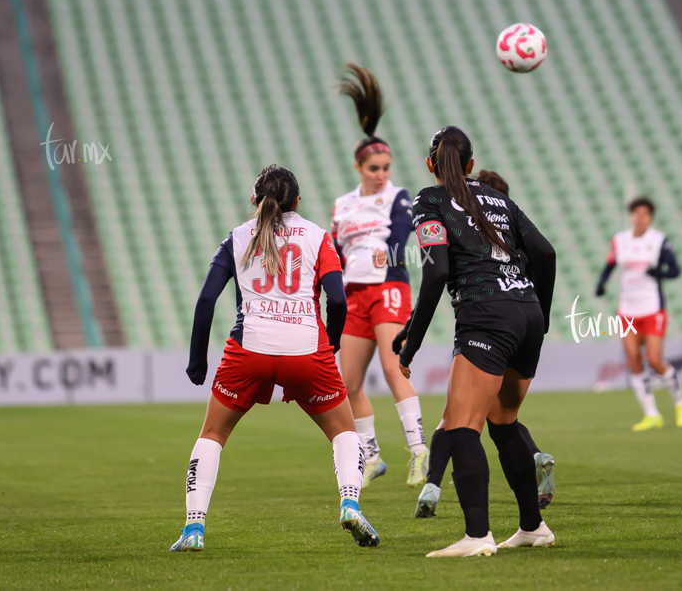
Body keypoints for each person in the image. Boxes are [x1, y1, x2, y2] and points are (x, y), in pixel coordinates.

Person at [170, 165, 379, 552]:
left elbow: (204, 301)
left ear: (254, 200)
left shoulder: (236, 237)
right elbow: (337, 299)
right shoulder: (318, 237)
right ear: (298, 201)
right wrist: (329, 346)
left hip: (248, 350)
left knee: (213, 435)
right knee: (344, 432)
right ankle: (350, 503)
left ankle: (193, 529)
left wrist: (197, 360)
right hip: (307, 349)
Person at [395, 126, 558, 557]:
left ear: (431, 165)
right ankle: (532, 526)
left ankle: (477, 536)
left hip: (486, 317)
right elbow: (545, 253)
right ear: (470, 164)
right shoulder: (497, 197)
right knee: (503, 423)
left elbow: (435, 272)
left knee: (462, 426)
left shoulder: (429, 201)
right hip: (527, 313)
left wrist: (410, 344)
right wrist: (537, 315)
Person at [330, 64, 427, 489]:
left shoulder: (398, 197)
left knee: (393, 368)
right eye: (374, 168)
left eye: (386, 166)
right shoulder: (342, 205)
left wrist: (386, 263)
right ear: (359, 167)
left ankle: (420, 453)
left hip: (388, 287)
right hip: (354, 295)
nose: (382, 174)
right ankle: (370, 458)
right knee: (347, 382)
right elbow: (335, 249)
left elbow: (403, 234)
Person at [595, 197, 682, 431]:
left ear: (650, 217)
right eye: (636, 214)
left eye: (645, 214)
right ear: (631, 216)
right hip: (627, 309)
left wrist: (658, 271)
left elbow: (675, 270)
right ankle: (651, 413)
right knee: (634, 360)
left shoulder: (658, 241)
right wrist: (601, 284)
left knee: (655, 360)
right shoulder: (620, 240)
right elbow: (609, 265)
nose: (640, 218)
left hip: (652, 308)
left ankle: (681, 402)